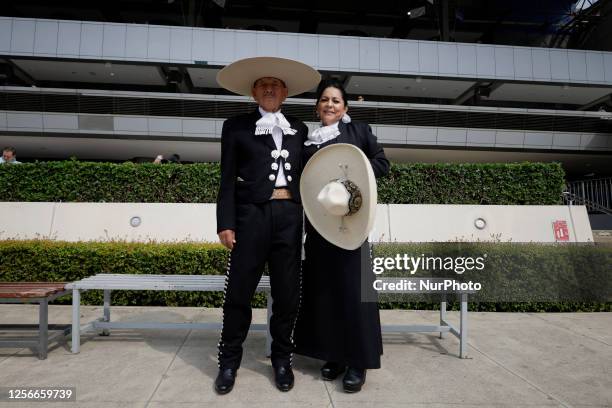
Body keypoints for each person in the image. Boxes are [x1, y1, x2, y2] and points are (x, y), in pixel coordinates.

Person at [214, 56, 320, 394]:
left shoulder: (299, 129)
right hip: (250, 217)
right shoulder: (236, 126)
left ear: (286, 92)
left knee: (287, 294)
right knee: (239, 293)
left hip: (289, 216)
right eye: (263, 84)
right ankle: (229, 362)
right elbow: (226, 179)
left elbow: (313, 172)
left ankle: (281, 360)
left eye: (275, 84)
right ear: (253, 92)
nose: (269, 88)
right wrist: (225, 222)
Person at [294, 79, 389, 393]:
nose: (330, 104)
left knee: (353, 294)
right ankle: (332, 355)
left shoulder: (359, 132)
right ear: (317, 107)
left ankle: (357, 361)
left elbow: (382, 163)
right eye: (324, 100)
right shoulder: (308, 142)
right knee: (325, 293)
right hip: (321, 228)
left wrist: (352, 184)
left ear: (345, 107)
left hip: (354, 224)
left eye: (336, 100)